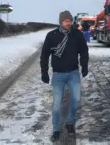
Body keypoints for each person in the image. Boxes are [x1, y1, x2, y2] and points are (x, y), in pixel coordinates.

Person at [40, 10, 89, 142]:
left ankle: (69, 122)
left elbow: (84, 50)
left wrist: (84, 65)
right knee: (56, 104)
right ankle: (56, 129)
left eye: (70, 20)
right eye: (66, 21)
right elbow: (44, 55)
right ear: (61, 22)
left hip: (73, 73)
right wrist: (44, 71)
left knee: (76, 99)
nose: (69, 23)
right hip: (58, 74)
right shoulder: (52, 36)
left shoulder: (76, 34)